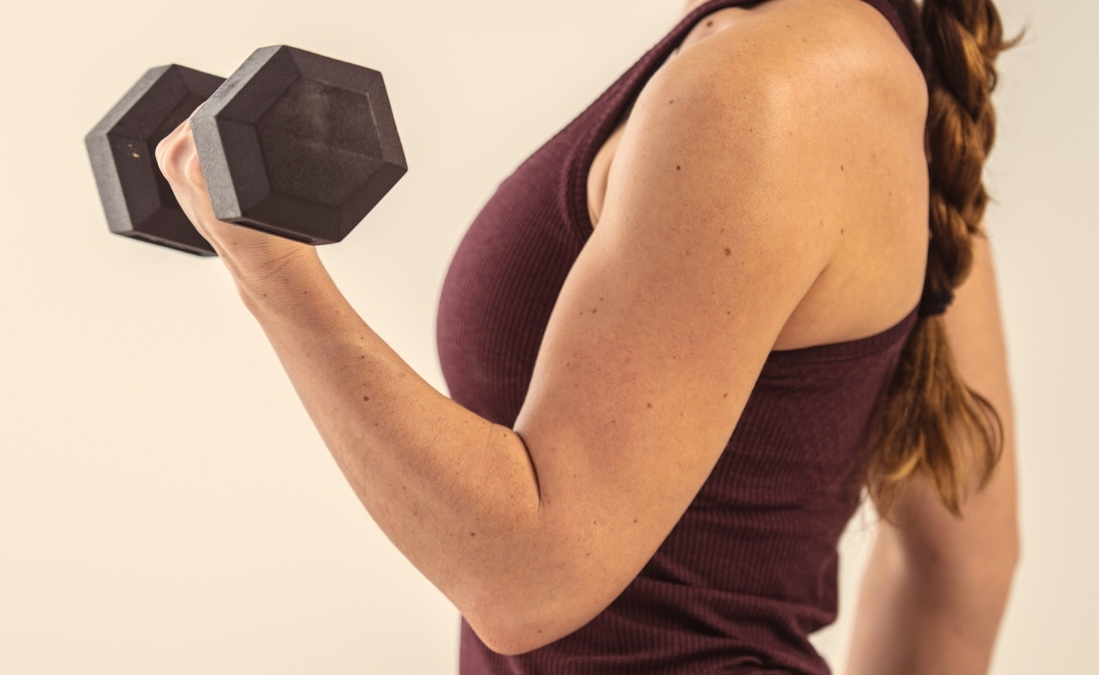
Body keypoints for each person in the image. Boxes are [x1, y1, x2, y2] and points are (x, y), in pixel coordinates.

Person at [155, 0, 1020, 671]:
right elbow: (965, 563)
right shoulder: (865, 75)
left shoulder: (774, 83)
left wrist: (272, 274)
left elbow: (531, 574)